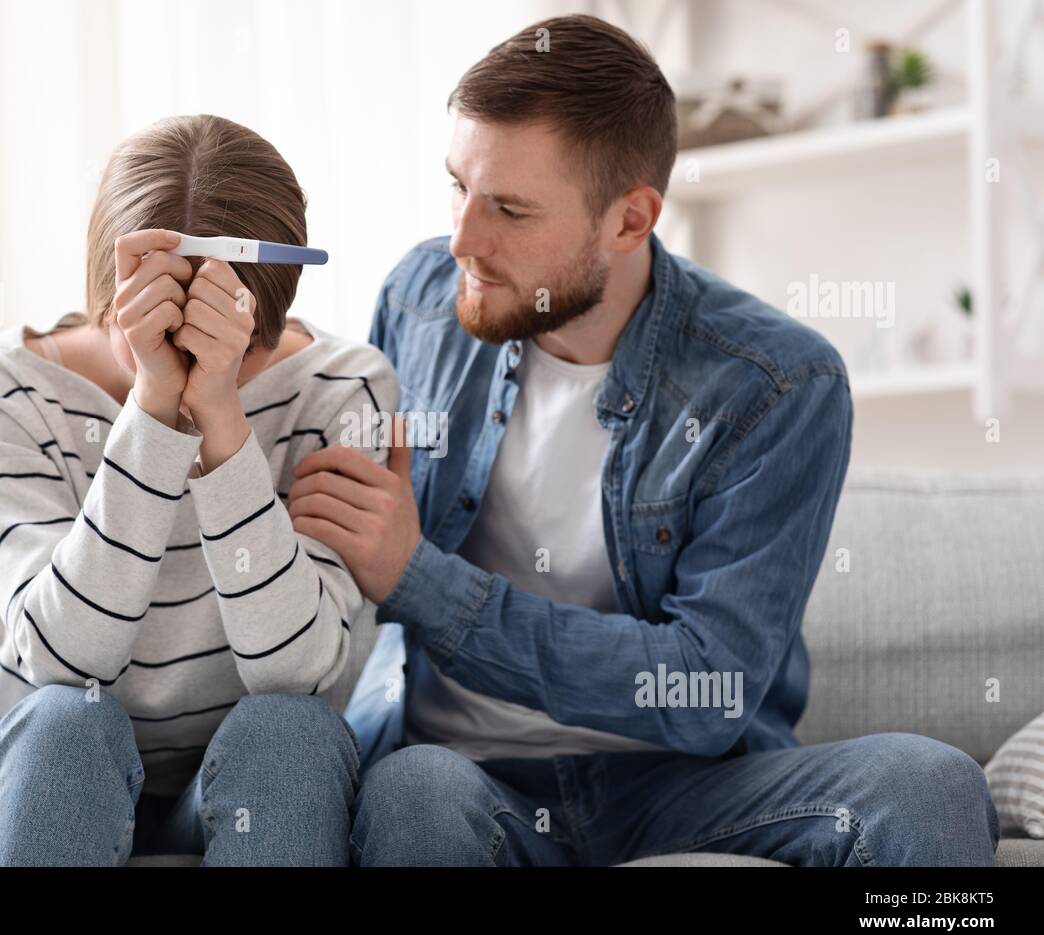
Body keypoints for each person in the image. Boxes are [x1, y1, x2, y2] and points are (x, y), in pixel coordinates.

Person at [288, 15, 1000, 866]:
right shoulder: (417, 298)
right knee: (416, 793)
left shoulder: (777, 384)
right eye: (458, 187)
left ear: (630, 221)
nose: (463, 242)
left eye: (510, 209)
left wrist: (424, 584)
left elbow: (711, 687)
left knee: (929, 783)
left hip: (686, 787)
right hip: (465, 779)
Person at [0, 114, 396, 866]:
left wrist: (221, 419)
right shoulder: (5, 386)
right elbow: (60, 662)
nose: (194, 363)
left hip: (227, 785)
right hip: (24, 770)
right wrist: (152, 409)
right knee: (69, 726)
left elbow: (297, 674)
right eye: (154, 336)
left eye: (233, 352)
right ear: (109, 298)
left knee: (291, 734)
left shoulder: (343, 388)